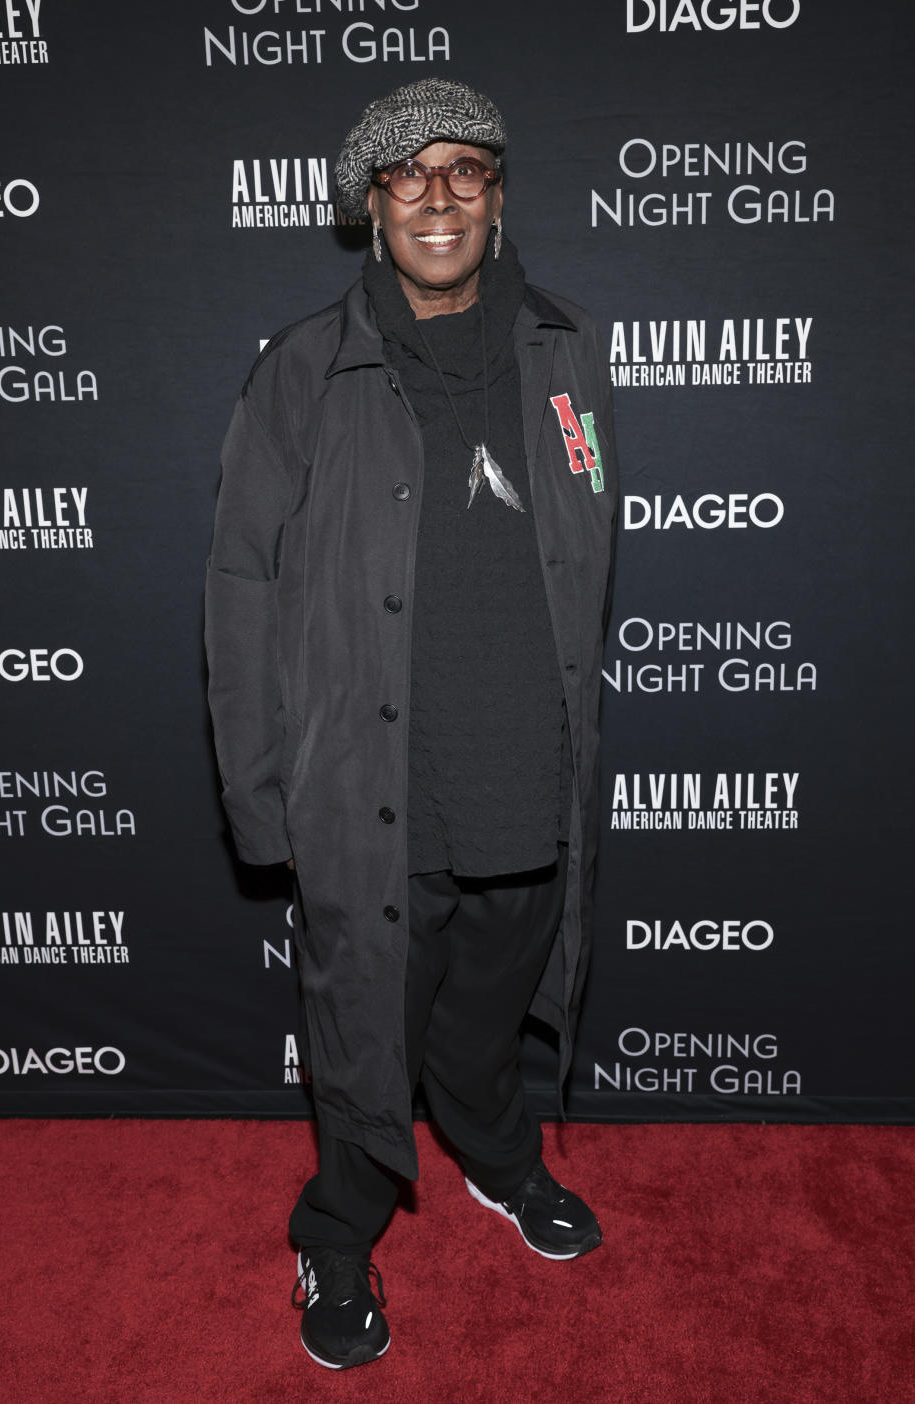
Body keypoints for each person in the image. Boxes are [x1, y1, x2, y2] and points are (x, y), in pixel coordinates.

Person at [205, 76, 618, 1371]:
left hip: (522, 778)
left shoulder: (566, 348)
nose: (439, 193)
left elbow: (579, 556)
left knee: (487, 1019)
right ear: (370, 207)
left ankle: (499, 1158)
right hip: (365, 785)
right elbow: (239, 586)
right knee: (358, 1032)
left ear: (496, 196)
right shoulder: (301, 374)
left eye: (465, 168)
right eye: (407, 173)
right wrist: (259, 791)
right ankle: (338, 1229)